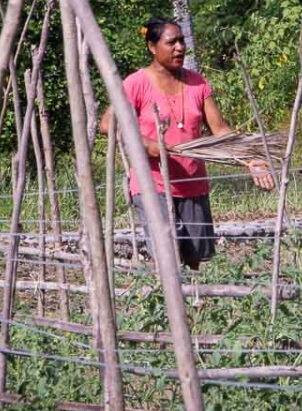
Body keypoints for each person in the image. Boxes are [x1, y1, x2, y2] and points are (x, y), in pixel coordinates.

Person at [99, 18, 274, 269]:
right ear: (152, 46)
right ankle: (171, 306)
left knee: (194, 261)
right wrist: (145, 142)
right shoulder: (136, 83)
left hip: (193, 185)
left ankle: (195, 306)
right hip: (153, 184)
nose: (180, 47)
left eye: (181, 41)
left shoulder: (198, 84)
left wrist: (251, 158)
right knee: (167, 257)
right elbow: (107, 124)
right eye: (171, 42)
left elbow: (220, 130)